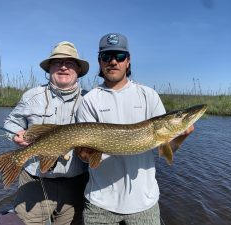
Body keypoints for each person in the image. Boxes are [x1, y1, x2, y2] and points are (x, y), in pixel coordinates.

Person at [75, 33, 194, 225]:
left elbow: (164, 149)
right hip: (99, 202)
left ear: (128, 61)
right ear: (99, 62)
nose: (113, 61)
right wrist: (84, 154)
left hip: (144, 204)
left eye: (119, 56)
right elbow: (84, 156)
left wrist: (179, 137)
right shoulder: (90, 100)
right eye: (107, 57)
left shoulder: (148, 95)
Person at [4, 41, 89, 225]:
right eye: (57, 62)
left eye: (70, 63)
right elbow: (11, 122)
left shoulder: (91, 100)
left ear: (79, 70)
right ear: (49, 68)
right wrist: (15, 133)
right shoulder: (31, 96)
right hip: (34, 181)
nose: (64, 67)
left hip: (75, 185)